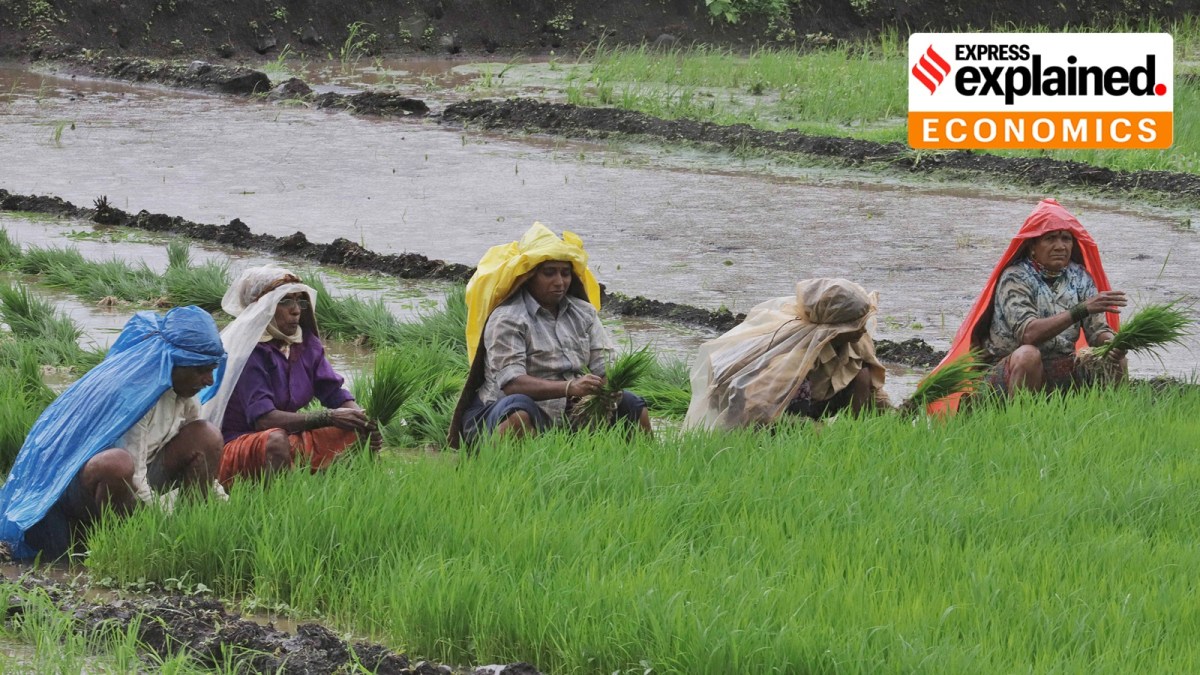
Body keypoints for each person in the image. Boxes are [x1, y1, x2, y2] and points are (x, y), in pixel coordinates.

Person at [0, 306, 227, 561]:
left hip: (138, 476)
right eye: (201, 369)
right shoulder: (135, 395)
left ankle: (194, 525)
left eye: (211, 369)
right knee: (116, 464)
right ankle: (124, 544)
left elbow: (201, 453)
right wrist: (163, 528)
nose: (209, 379)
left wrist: (223, 509)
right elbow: (134, 473)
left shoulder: (182, 393)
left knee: (206, 434)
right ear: (173, 361)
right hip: (79, 485)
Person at [447, 223, 652, 448]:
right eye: (549, 273)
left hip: (571, 413)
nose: (559, 282)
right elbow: (513, 384)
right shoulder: (508, 318)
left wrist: (598, 391)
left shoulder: (583, 313)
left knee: (633, 404)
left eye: (565, 273)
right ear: (529, 276)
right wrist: (569, 388)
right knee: (519, 407)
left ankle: (646, 463)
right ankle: (505, 468)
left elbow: (605, 368)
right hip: (502, 413)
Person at [928, 198, 1126, 411]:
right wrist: (1081, 309)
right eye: (1050, 239)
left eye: (1066, 239)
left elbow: (1097, 331)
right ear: (1032, 246)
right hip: (1008, 374)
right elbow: (1028, 334)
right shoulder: (1015, 278)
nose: (1060, 246)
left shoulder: (1080, 277)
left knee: (1115, 358)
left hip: (1060, 367)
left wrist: (1114, 343)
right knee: (1028, 354)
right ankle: (1020, 424)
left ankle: (1110, 418)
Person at [202, 266, 378, 487]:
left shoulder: (305, 345)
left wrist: (361, 419)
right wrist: (328, 417)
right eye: (285, 301)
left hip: (285, 437)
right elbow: (264, 420)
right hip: (241, 443)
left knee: (355, 433)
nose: (296, 310)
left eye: (300, 302)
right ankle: (274, 502)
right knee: (275, 441)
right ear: (264, 308)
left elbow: (333, 392)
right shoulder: (250, 353)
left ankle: (342, 490)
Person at [683, 278, 888, 430]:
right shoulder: (792, 358)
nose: (862, 329)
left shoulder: (856, 341)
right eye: (855, 325)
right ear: (834, 329)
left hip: (813, 404)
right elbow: (755, 409)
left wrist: (893, 412)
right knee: (799, 395)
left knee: (862, 375)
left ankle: (858, 430)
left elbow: (872, 390)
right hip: (761, 417)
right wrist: (813, 430)